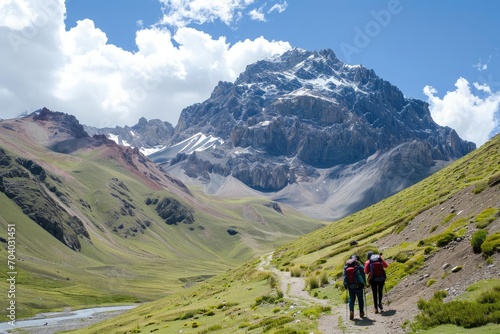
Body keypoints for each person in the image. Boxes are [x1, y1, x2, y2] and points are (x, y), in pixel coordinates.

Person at [343, 254, 366, 320]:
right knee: (360, 299)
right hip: (359, 286)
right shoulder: (360, 267)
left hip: (350, 286)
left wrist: (345, 285)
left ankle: (351, 311)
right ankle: (361, 312)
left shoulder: (346, 267)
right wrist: (364, 284)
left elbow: (345, 277)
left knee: (351, 299)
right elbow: (363, 276)